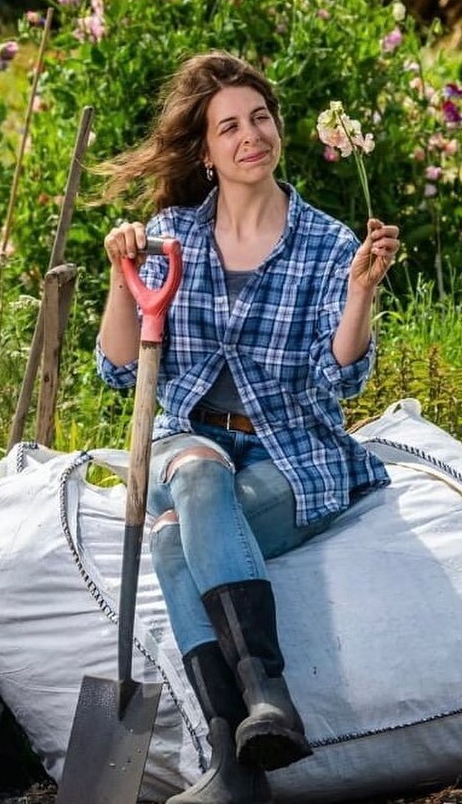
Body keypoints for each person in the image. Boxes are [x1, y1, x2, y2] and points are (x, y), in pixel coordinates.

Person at [96, 50, 399, 804]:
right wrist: (117, 273)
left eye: (259, 118)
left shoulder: (328, 244)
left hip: (291, 456)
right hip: (195, 439)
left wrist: (359, 294)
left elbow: (344, 377)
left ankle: (238, 771)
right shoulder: (171, 238)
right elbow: (121, 370)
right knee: (196, 473)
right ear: (206, 150)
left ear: (278, 129)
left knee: (172, 540)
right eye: (228, 126)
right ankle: (267, 699)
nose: (249, 135)